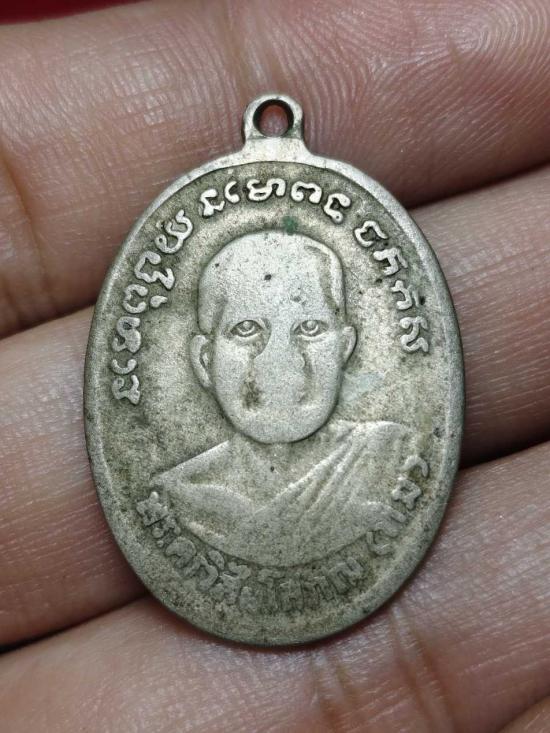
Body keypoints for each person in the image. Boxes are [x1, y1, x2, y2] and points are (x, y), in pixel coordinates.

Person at [153, 231, 411, 565]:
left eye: (310, 328)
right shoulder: (173, 498)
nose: (280, 362)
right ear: (205, 361)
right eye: (247, 329)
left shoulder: (393, 457)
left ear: (344, 348)